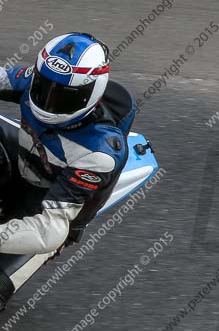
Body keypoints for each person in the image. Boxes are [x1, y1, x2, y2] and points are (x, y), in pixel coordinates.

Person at [0, 33, 135, 308]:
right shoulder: (34, 80)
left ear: (91, 94)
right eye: (44, 87)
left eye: (62, 96)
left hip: (48, 204)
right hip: (23, 157)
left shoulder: (98, 152)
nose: (48, 100)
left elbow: (51, 228)